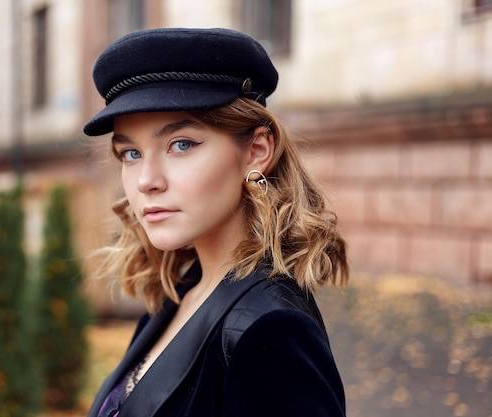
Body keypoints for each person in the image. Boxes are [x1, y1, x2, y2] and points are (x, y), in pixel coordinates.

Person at [84, 27, 349, 417]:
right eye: (131, 153)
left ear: (257, 151)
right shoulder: (179, 291)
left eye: (182, 144)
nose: (145, 181)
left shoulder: (269, 332)